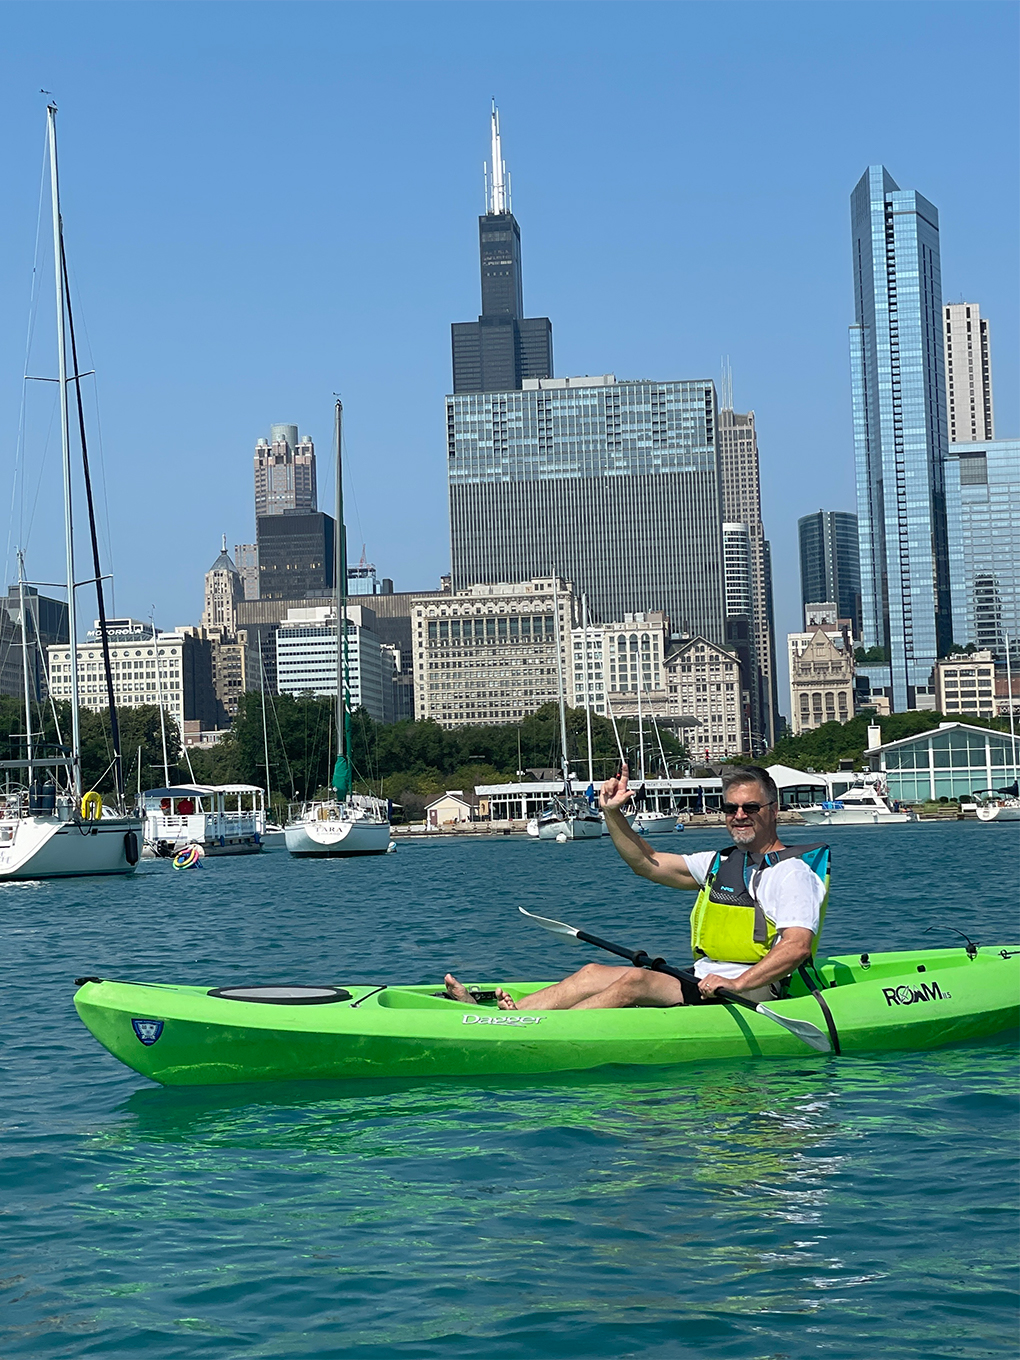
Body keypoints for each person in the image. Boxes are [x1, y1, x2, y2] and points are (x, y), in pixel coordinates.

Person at [444, 763, 827, 1011]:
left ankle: (541, 1033)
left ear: (773, 810)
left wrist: (736, 981)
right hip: (705, 978)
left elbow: (796, 947)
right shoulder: (720, 862)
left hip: (753, 989)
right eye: (731, 808)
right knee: (592, 972)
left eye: (750, 808)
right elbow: (647, 861)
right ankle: (510, 1015)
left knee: (636, 980)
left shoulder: (791, 874)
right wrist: (612, 813)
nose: (739, 816)